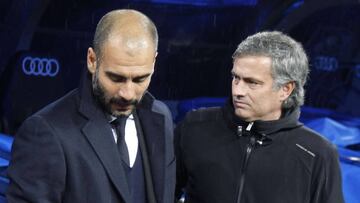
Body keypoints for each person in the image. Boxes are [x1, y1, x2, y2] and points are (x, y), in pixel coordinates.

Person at [7, 9, 175, 203]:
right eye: (116, 78)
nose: (127, 93)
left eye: (140, 79)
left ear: (153, 62)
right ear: (92, 60)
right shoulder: (45, 132)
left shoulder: (161, 118)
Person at [175, 31, 344, 203]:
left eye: (252, 82)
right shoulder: (195, 126)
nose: (238, 91)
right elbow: (161, 193)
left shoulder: (318, 153)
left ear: (285, 89)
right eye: (236, 78)